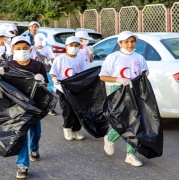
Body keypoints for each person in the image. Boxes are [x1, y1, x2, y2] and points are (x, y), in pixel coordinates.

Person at [0, 36, 49, 179]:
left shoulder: (38, 66)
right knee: (21, 135)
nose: (22, 51)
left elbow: (46, 86)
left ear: (30, 49)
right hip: (17, 107)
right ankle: (22, 165)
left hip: (34, 105)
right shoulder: (9, 65)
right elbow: (2, 87)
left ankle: (34, 149)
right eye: (18, 49)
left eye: (25, 48)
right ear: (12, 50)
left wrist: (41, 81)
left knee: (36, 132)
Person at [99, 31, 149, 167]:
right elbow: (102, 76)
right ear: (120, 43)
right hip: (119, 91)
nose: (130, 44)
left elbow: (144, 73)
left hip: (135, 90)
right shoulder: (113, 57)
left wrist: (145, 74)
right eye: (126, 42)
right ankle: (110, 138)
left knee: (136, 122)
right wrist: (119, 79)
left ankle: (131, 154)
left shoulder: (139, 58)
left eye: (132, 41)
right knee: (122, 120)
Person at [50, 36, 87, 141]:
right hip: (63, 89)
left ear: (79, 47)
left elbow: (84, 73)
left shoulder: (80, 59)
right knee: (68, 110)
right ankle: (67, 128)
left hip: (77, 89)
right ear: (66, 46)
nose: (73, 48)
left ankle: (76, 130)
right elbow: (53, 72)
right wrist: (54, 79)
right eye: (71, 45)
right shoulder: (60, 58)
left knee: (77, 111)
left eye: (76, 45)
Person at [31, 33, 57, 116]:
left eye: (41, 45)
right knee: (35, 89)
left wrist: (55, 70)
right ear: (34, 41)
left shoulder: (47, 49)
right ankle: (35, 107)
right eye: (38, 44)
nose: (40, 46)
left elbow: (53, 59)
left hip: (46, 72)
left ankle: (50, 108)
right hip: (34, 72)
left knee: (50, 90)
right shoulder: (31, 49)